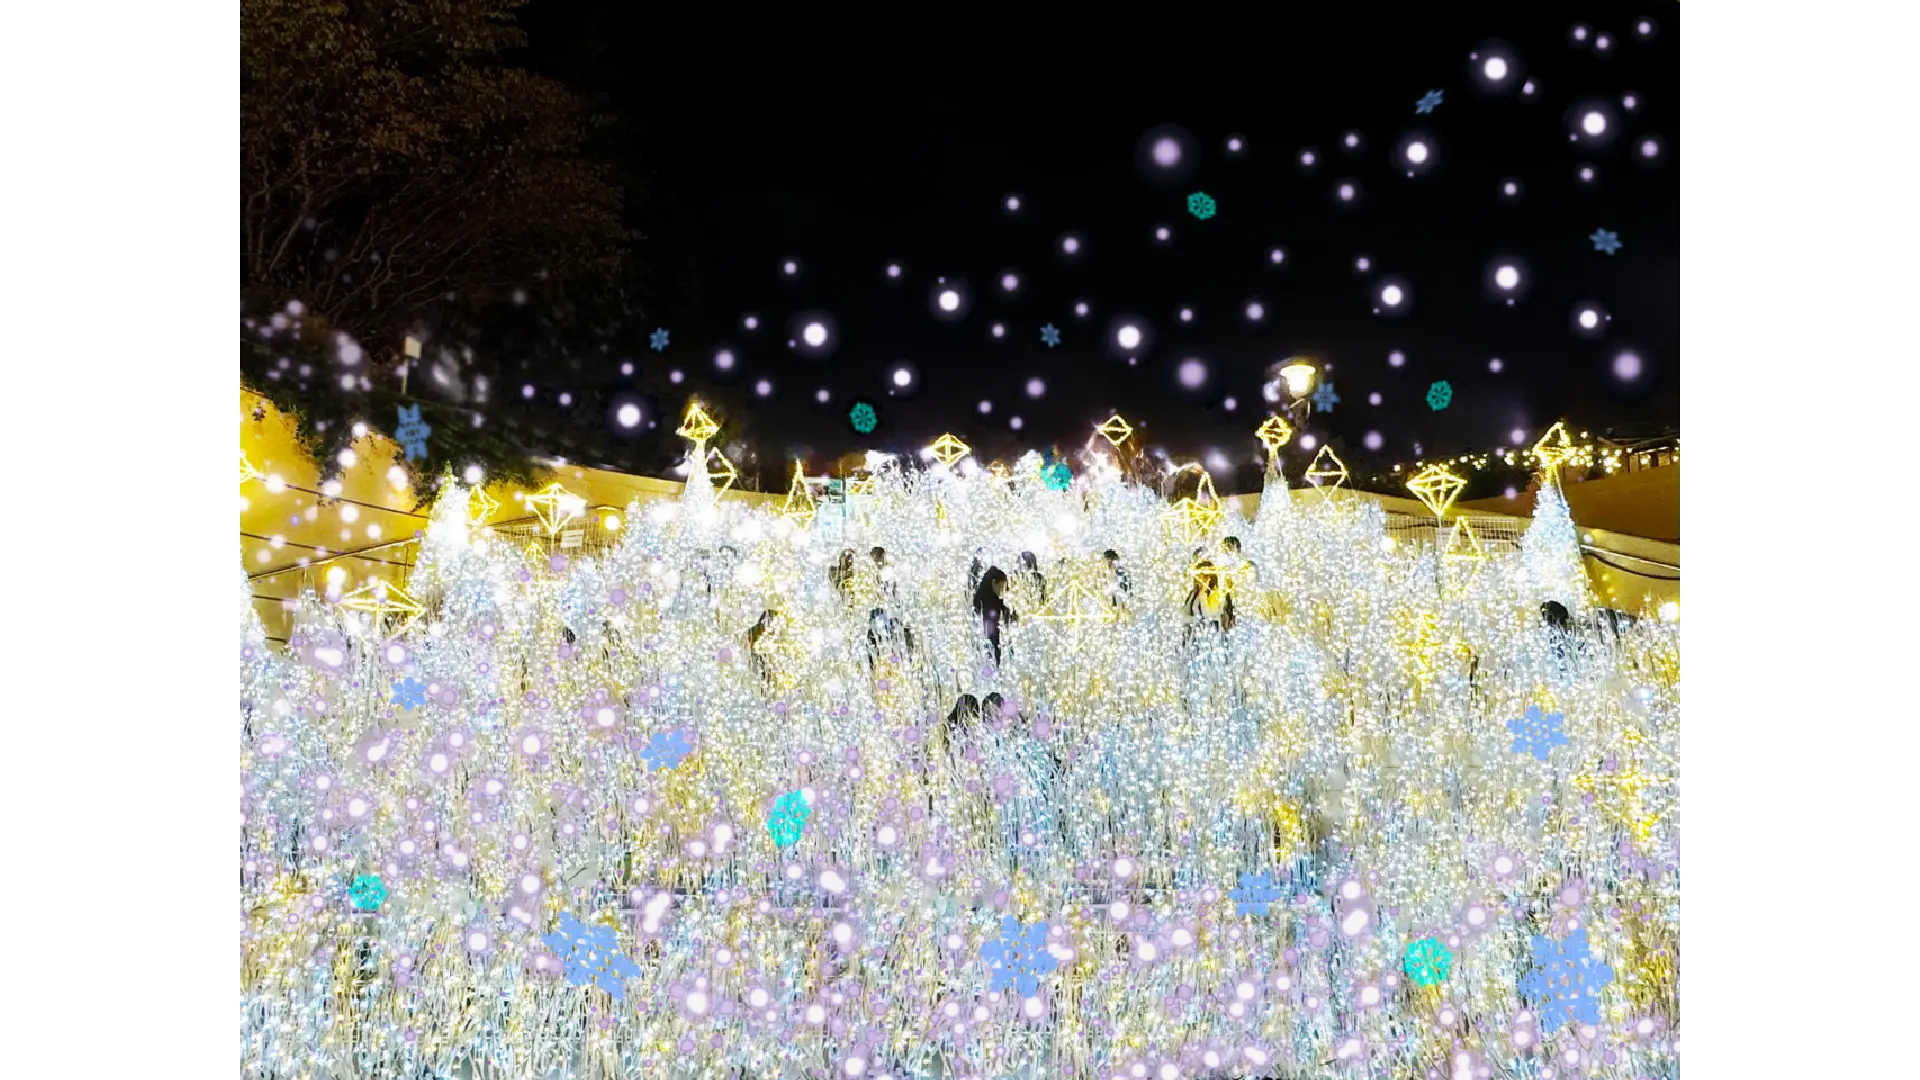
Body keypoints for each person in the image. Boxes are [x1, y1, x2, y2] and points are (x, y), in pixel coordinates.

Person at [973, 567, 1018, 667]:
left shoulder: (981, 598)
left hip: (985, 646)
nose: (1002, 591)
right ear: (994, 582)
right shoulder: (990, 602)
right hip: (992, 645)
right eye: (1001, 586)